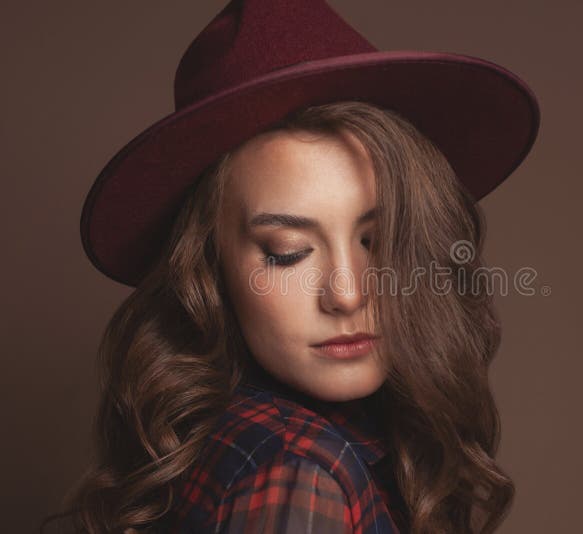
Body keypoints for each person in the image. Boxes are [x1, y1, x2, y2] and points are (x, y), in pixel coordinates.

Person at [41, 1, 540, 532]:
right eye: (287, 252)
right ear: (211, 268)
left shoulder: (311, 445)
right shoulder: (299, 470)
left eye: (379, 240)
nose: (346, 294)